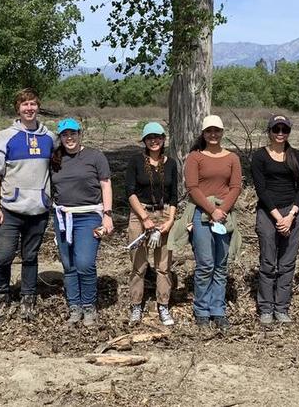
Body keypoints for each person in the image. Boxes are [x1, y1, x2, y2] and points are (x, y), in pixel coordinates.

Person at [0, 89, 56, 324]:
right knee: (4, 257)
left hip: (38, 210)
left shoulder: (50, 138)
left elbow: (58, 168)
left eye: (33, 104)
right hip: (9, 209)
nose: (29, 108)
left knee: (30, 256)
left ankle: (28, 298)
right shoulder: (5, 137)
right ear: (18, 109)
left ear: (38, 107)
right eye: (24, 104)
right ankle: (1, 297)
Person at [50, 118, 114, 327]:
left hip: (88, 216)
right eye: (65, 135)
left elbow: (106, 185)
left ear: (79, 134)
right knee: (69, 265)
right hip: (63, 217)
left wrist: (107, 214)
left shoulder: (95, 156)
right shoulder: (55, 159)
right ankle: (74, 307)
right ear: (60, 137)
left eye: (73, 133)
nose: (69, 138)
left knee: (85, 263)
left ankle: (88, 306)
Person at [184, 115, 242, 330]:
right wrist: (211, 210)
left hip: (224, 216)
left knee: (221, 264)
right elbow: (192, 187)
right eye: (209, 131)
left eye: (217, 130)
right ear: (203, 133)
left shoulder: (232, 158)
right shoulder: (195, 157)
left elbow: (236, 187)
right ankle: (201, 310)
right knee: (206, 264)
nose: (213, 134)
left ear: (222, 132)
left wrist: (222, 210)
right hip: (202, 215)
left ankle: (218, 310)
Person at [251, 114, 299, 325]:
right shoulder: (260, 156)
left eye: (285, 129)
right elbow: (261, 190)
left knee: (287, 263)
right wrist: (278, 218)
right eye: (276, 129)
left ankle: (281, 307)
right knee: (268, 262)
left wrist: (291, 216)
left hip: (292, 213)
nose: (280, 133)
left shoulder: (296, 156)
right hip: (268, 213)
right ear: (269, 131)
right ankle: (266, 308)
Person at [125, 122, 178, 326]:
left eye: (157, 137)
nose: (154, 141)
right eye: (149, 138)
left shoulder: (170, 163)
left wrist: (170, 220)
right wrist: (144, 218)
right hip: (140, 213)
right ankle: (136, 305)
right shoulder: (136, 161)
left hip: (163, 213)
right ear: (144, 141)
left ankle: (163, 305)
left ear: (163, 139)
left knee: (163, 266)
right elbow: (130, 192)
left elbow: (174, 196)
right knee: (139, 264)